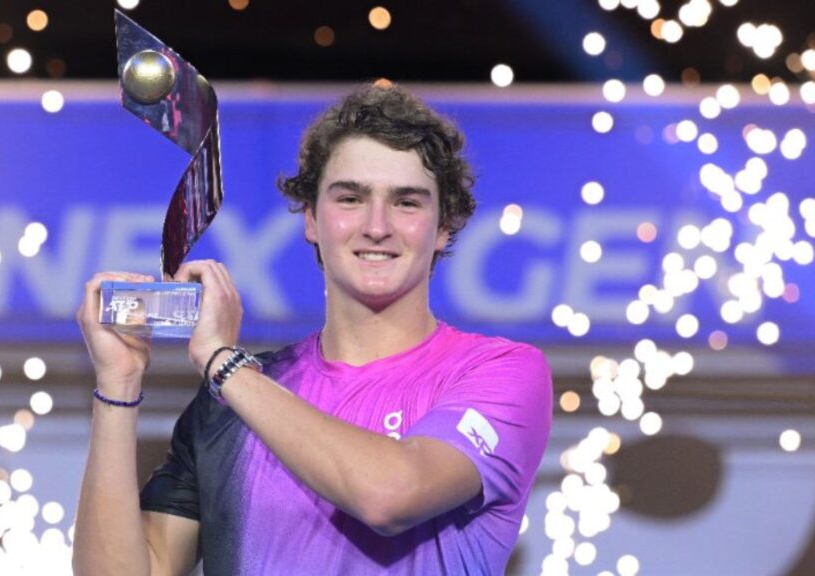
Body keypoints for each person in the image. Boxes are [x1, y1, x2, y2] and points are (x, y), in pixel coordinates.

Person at [73, 83, 552, 575]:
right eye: (350, 198)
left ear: (445, 225)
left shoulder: (501, 372)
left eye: (407, 203)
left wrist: (223, 362)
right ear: (311, 219)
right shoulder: (231, 403)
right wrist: (119, 384)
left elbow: (390, 495)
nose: (377, 226)